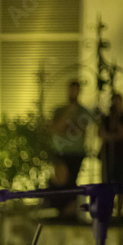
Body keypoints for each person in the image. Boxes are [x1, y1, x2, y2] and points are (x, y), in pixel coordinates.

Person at [50, 79, 93, 216]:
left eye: (76, 90)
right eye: (71, 90)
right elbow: (56, 128)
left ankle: (71, 211)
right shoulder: (59, 110)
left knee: (72, 182)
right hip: (60, 151)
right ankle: (60, 210)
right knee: (59, 182)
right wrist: (69, 112)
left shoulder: (84, 111)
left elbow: (78, 131)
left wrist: (67, 128)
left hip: (76, 152)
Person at [99, 92, 123, 215]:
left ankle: (120, 212)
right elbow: (101, 134)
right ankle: (109, 210)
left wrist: (113, 135)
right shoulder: (107, 118)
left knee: (122, 183)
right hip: (109, 156)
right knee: (108, 183)